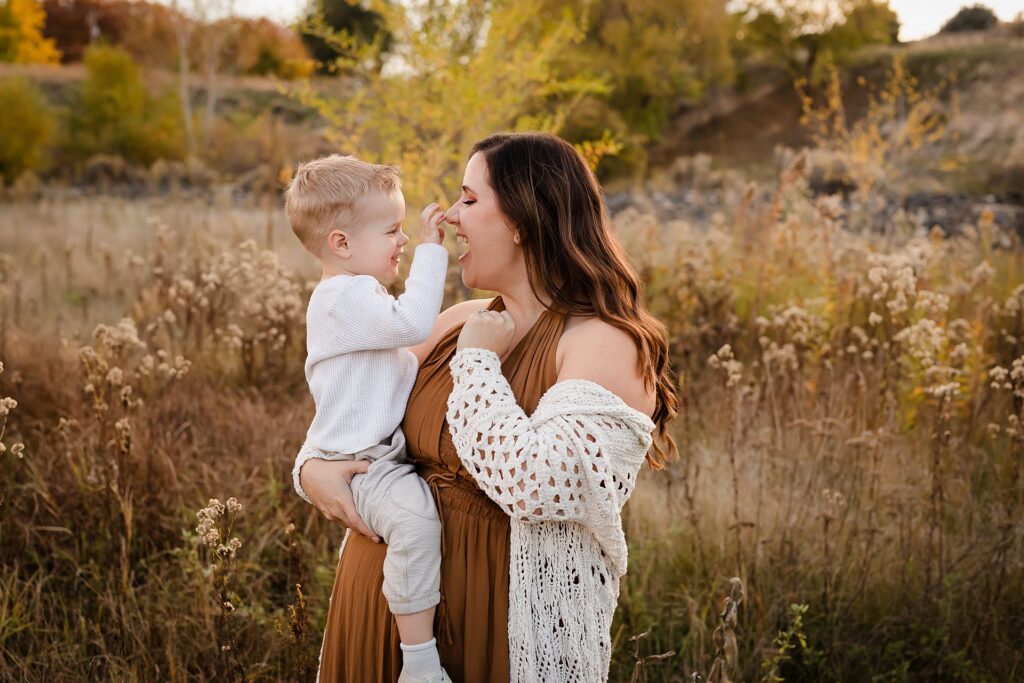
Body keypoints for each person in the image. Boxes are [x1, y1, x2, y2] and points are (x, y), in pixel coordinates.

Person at [297, 133, 678, 682]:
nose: (450, 217)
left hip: (500, 636)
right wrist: (311, 468)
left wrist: (477, 364)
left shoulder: (604, 343)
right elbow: (350, 403)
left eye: (469, 200)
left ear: (523, 220)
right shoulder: (456, 321)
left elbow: (535, 482)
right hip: (377, 616)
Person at [284, 153, 454, 683]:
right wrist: (431, 253)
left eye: (404, 231)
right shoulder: (344, 297)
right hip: (360, 463)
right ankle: (420, 662)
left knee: (413, 522)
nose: (402, 240)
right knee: (416, 521)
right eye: (393, 230)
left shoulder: (356, 295)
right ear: (341, 244)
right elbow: (415, 322)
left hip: (365, 456)